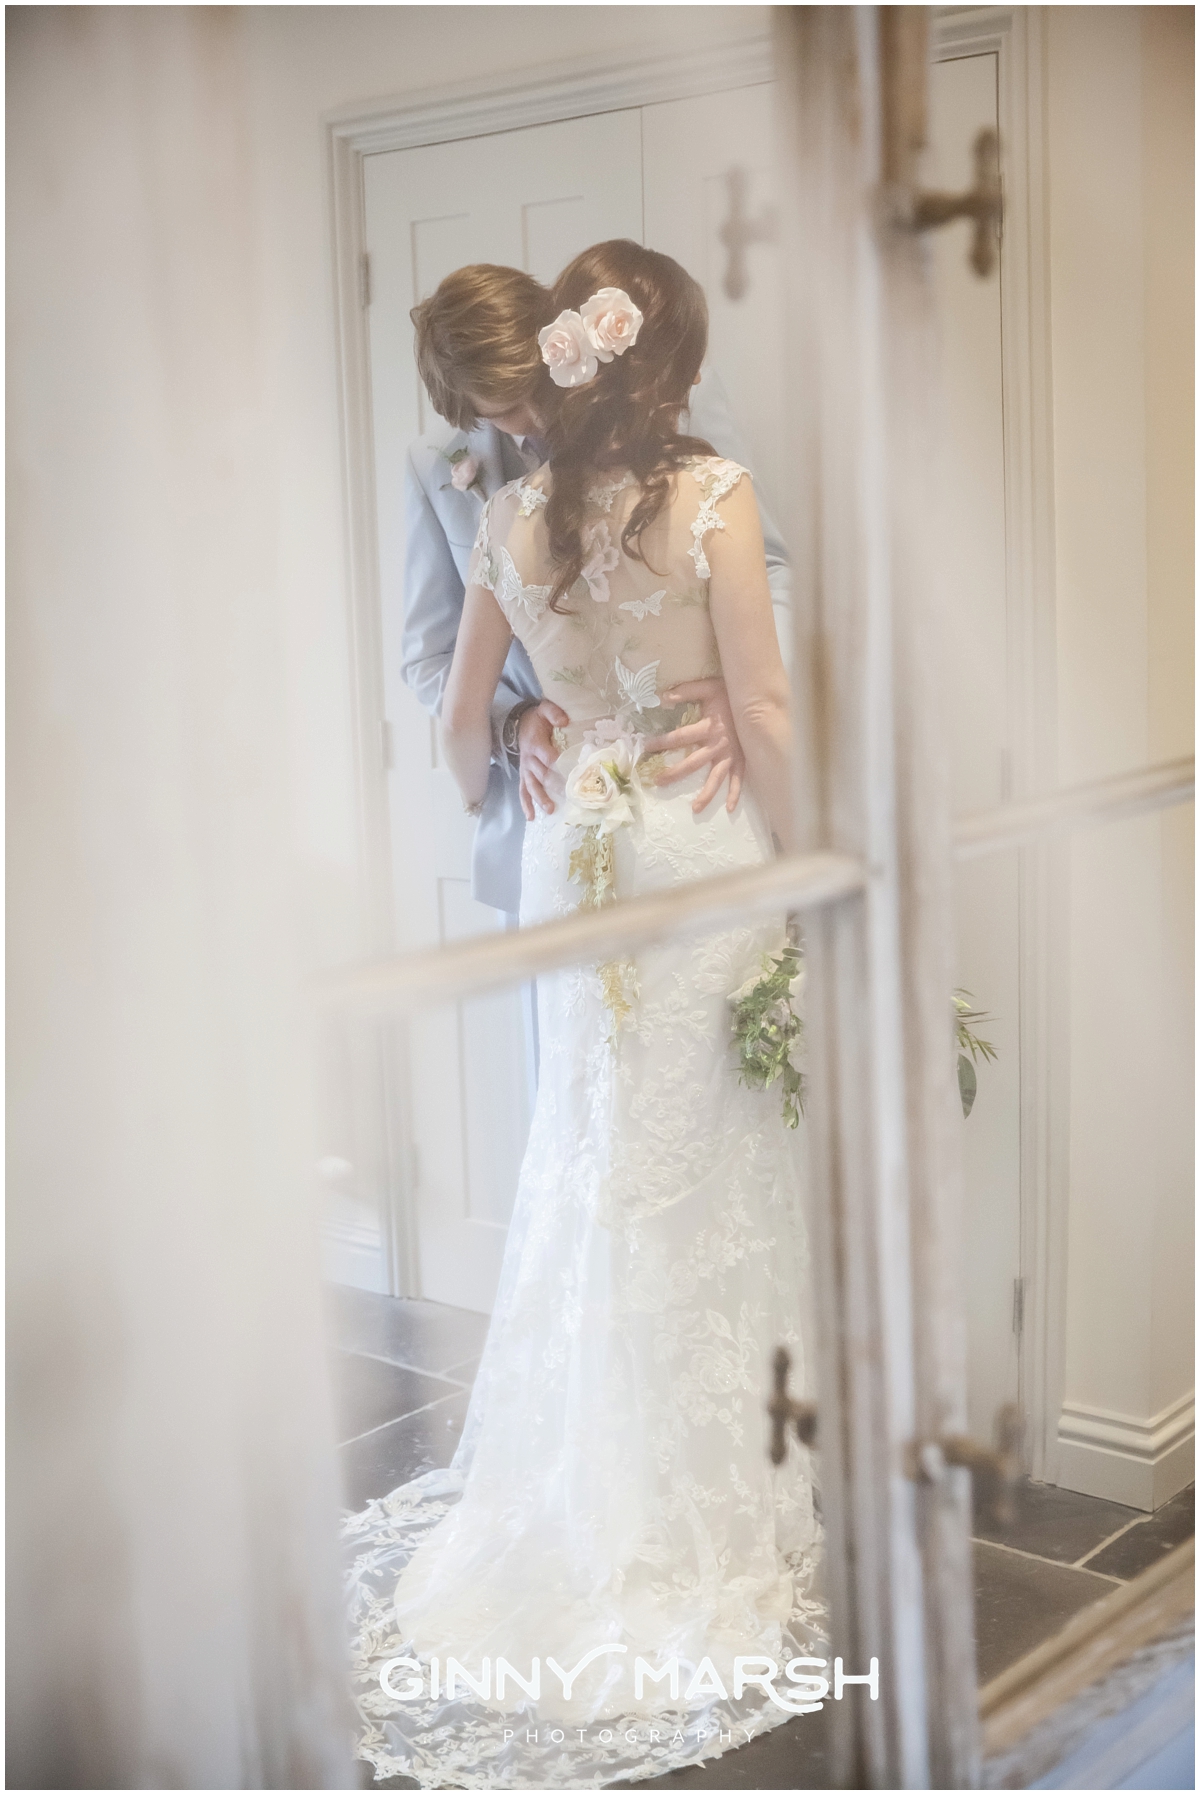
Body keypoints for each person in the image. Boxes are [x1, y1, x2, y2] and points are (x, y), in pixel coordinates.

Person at [342, 241, 822, 1790]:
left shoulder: (508, 518)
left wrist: (537, 724)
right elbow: (757, 706)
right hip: (687, 844)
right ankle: (685, 1502)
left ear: (570, 359)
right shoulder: (709, 489)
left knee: (595, 1161)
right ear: (658, 364)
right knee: (692, 1176)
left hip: (576, 849)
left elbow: (457, 754)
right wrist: (816, 854)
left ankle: (587, 1483)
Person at [400, 261, 795, 922]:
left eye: (533, 389)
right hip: (549, 804)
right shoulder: (439, 471)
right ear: (469, 413)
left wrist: (742, 687)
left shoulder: (678, 396)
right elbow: (429, 660)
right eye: (504, 413)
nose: (532, 421)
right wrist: (513, 728)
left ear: (556, 341)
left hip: (697, 769)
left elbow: (768, 566)